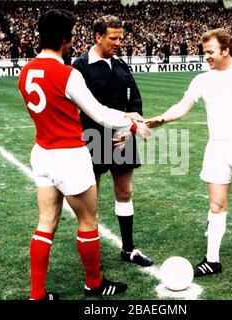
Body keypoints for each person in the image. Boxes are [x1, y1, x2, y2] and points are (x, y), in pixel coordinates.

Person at [18, 9, 149, 300]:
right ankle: (95, 283)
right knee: (88, 220)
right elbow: (99, 113)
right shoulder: (68, 74)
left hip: (42, 153)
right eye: (72, 34)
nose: (74, 39)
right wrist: (132, 122)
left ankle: (37, 295)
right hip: (69, 154)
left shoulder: (26, 71)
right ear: (64, 38)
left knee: (45, 223)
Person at [145, 29, 232, 277]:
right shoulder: (202, 80)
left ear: (226, 50)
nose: (206, 57)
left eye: (210, 52)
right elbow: (183, 106)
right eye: (204, 52)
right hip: (217, 147)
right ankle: (212, 261)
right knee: (216, 205)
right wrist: (162, 119)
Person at [73, 15, 154, 268]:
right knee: (90, 200)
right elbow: (84, 108)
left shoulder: (121, 65)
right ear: (98, 37)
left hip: (123, 137)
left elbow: (135, 103)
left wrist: (130, 130)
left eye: (121, 37)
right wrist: (119, 123)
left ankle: (128, 249)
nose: (119, 42)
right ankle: (93, 256)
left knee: (125, 192)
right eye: (113, 38)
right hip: (93, 138)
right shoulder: (81, 66)